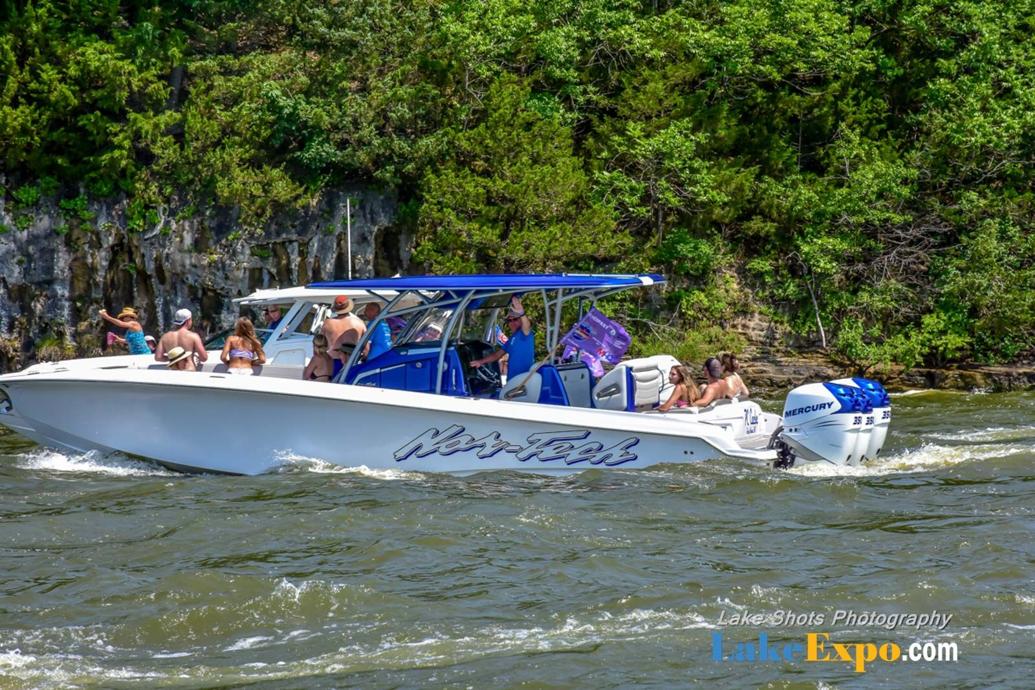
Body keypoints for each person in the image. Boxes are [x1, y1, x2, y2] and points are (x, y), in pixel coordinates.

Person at [471, 296, 535, 379]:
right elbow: (497, 355)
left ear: (520, 320)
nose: (512, 322)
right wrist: (480, 362)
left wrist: (522, 313)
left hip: (523, 381)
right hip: (512, 380)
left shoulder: (525, 334)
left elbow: (527, 326)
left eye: (515, 319)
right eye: (509, 320)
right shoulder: (512, 339)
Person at [321, 295, 366, 375]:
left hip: (332, 361)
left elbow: (321, 345)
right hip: (351, 361)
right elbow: (366, 349)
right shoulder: (359, 323)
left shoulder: (327, 323)